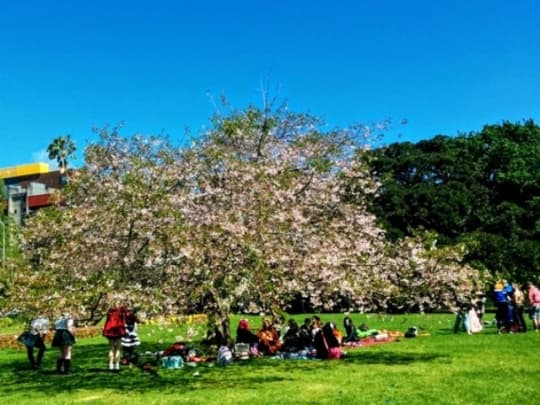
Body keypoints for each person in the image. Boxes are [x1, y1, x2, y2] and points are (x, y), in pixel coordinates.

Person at [102, 302, 128, 371]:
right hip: (118, 330)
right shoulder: (121, 311)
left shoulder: (109, 311)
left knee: (111, 348)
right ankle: (117, 365)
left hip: (110, 330)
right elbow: (127, 314)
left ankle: (111, 365)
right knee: (118, 349)